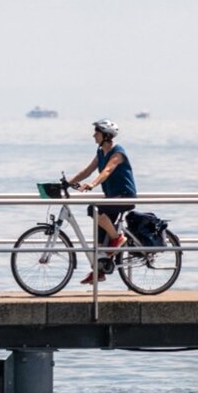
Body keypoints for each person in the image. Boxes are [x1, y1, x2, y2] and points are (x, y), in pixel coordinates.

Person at [68, 119, 136, 284]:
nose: (93, 136)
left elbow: (107, 170)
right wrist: (68, 183)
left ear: (106, 135)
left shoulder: (118, 152)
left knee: (94, 210)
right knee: (99, 239)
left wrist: (92, 184)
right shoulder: (100, 152)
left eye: (96, 133)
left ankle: (117, 238)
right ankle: (99, 271)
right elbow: (87, 171)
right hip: (112, 198)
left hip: (124, 196)